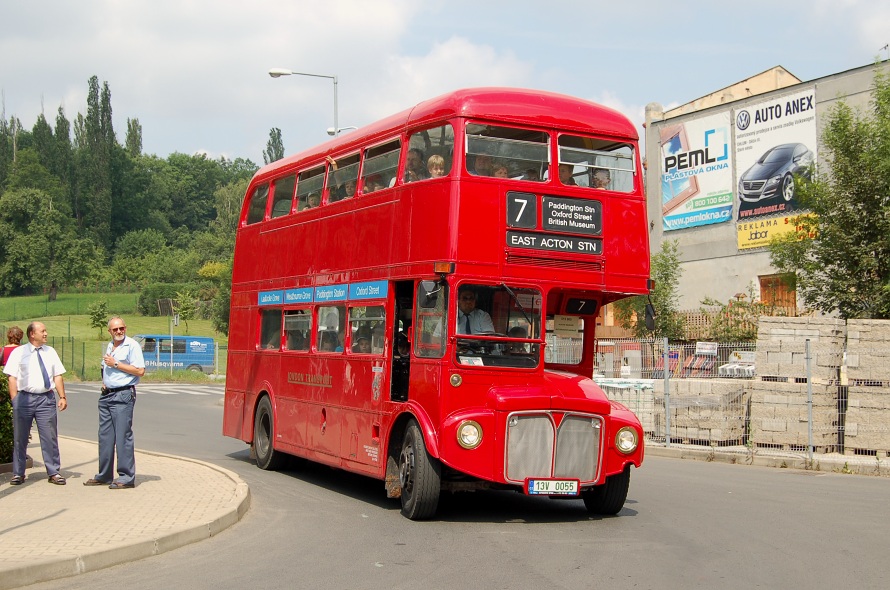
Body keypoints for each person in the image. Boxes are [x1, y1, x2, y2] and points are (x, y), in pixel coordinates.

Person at [4, 321, 68, 486]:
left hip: (46, 399)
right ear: (32, 334)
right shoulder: (19, 352)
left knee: (50, 437)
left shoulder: (50, 352)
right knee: (20, 438)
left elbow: (58, 375)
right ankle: (18, 473)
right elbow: (12, 377)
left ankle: (54, 472)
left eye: (46, 331)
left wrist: (62, 396)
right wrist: (15, 399)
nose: (46, 334)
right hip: (24, 399)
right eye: (43, 331)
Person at [83, 316, 145, 489]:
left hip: (123, 395)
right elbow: (106, 367)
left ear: (125, 328)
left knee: (122, 436)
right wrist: (105, 382)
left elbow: (140, 370)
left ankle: (126, 477)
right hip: (107, 396)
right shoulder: (111, 345)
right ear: (109, 331)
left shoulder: (131, 345)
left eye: (121, 328)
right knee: (105, 437)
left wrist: (116, 363)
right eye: (115, 329)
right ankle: (104, 475)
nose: (119, 332)